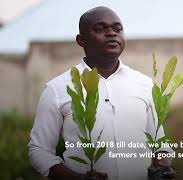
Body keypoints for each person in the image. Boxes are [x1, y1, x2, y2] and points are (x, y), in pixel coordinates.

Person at [28, 6, 175, 180]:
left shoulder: (144, 84)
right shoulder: (57, 89)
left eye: (117, 29)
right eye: (100, 29)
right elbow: (39, 150)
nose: (112, 33)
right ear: (81, 40)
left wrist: (163, 167)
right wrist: (77, 178)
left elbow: (159, 142)